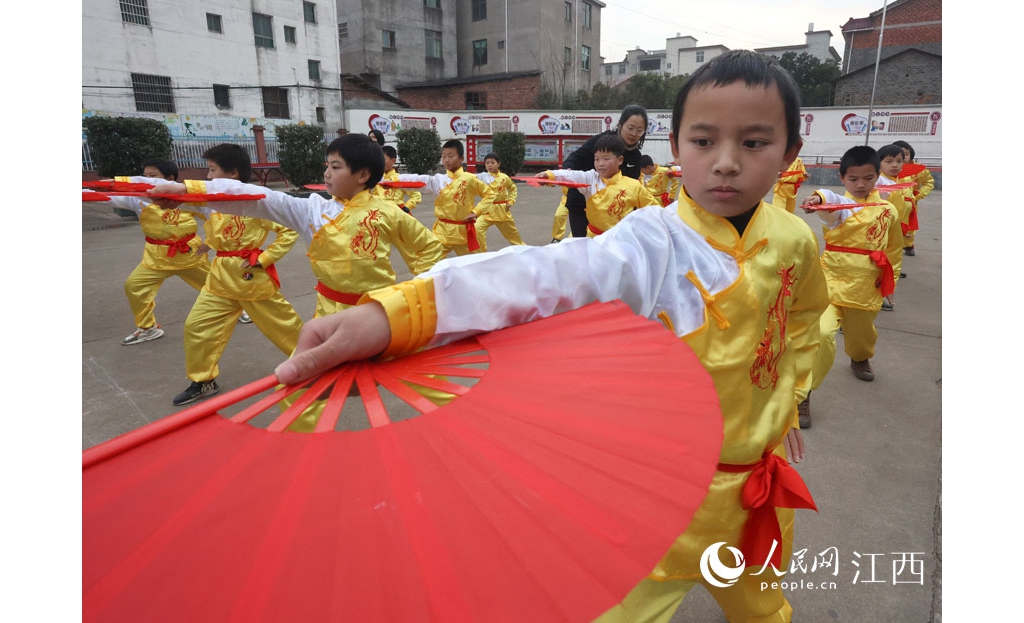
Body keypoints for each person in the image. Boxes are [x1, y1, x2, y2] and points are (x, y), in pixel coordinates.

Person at [276, 50, 830, 623]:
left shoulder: (793, 239)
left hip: (758, 489)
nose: (726, 163)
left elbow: (804, 320)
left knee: (764, 610)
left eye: (755, 143)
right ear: (675, 149)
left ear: (791, 154)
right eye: (704, 141)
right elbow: (553, 273)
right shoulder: (653, 242)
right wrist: (398, 314)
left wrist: (789, 397)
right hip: (664, 497)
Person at [141, 143, 305, 406]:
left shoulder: (257, 202)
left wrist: (264, 259)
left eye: (212, 169)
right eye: (208, 169)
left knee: (286, 327)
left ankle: (318, 363)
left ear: (232, 174)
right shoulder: (211, 203)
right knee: (197, 326)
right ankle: (203, 379)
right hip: (218, 279)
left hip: (250, 277)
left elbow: (288, 231)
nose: (208, 176)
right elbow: (187, 206)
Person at [804, 145, 902, 383]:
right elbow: (831, 199)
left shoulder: (888, 210)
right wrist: (819, 197)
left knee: (861, 334)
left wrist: (892, 282)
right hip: (831, 280)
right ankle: (803, 391)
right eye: (853, 179)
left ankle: (860, 357)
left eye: (868, 178)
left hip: (868, 283)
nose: (860, 184)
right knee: (822, 332)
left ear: (878, 176)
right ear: (842, 178)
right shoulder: (839, 211)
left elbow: (894, 249)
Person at [106, 158, 210, 345]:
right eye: (144, 176)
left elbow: (216, 217)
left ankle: (240, 309)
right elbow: (105, 197)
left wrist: (212, 241)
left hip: (190, 256)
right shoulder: (138, 198)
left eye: (152, 176)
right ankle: (148, 328)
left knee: (220, 284)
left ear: (169, 179)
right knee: (134, 286)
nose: (146, 180)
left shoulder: (186, 198)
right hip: (156, 258)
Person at [537, 134, 659, 236]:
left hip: (621, 241)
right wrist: (549, 175)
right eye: (597, 159)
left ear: (620, 160)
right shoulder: (590, 179)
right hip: (593, 240)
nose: (601, 164)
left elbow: (654, 209)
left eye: (606, 159)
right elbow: (571, 175)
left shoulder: (634, 186)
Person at [561, 104, 648, 236]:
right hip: (582, 204)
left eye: (639, 130)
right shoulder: (602, 141)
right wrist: (568, 170)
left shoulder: (636, 157)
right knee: (583, 245)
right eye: (630, 128)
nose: (634, 134)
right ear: (620, 124)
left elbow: (632, 189)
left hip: (610, 211)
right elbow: (577, 157)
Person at [396, 139, 493, 256]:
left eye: (451, 156)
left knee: (474, 265)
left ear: (461, 159)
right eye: (444, 156)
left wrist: (477, 211)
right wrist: (393, 181)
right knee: (428, 261)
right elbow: (418, 180)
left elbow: (490, 194)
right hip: (442, 231)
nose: (447, 160)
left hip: (463, 231)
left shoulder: (470, 179)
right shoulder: (438, 180)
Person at [875, 143, 911, 310]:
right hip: (880, 232)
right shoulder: (879, 181)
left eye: (899, 161)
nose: (895, 165)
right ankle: (875, 297)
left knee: (891, 263)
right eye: (889, 161)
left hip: (894, 231)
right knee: (880, 265)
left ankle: (883, 294)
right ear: (878, 162)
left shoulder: (898, 181)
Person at [474, 152, 525, 252]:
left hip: (502, 210)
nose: (489, 165)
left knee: (513, 236)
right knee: (476, 228)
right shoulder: (482, 177)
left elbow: (513, 188)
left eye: (492, 162)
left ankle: (524, 251)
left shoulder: (504, 177)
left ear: (498, 164)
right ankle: (481, 253)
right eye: (487, 163)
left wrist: (511, 200)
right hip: (487, 210)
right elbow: (469, 178)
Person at [892, 140, 934, 257]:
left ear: (911, 155)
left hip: (909, 204)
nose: (901, 157)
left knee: (909, 225)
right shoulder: (887, 168)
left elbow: (928, 182)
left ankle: (909, 245)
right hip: (891, 202)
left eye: (905, 154)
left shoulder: (918, 170)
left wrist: (917, 196)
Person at [376, 145, 421, 214]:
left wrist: (407, 207)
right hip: (380, 214)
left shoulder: (400, 179)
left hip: (397, 215)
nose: (380, 162)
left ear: (393, 160)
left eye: (383, 159)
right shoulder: (377, 179)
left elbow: (416, 195)